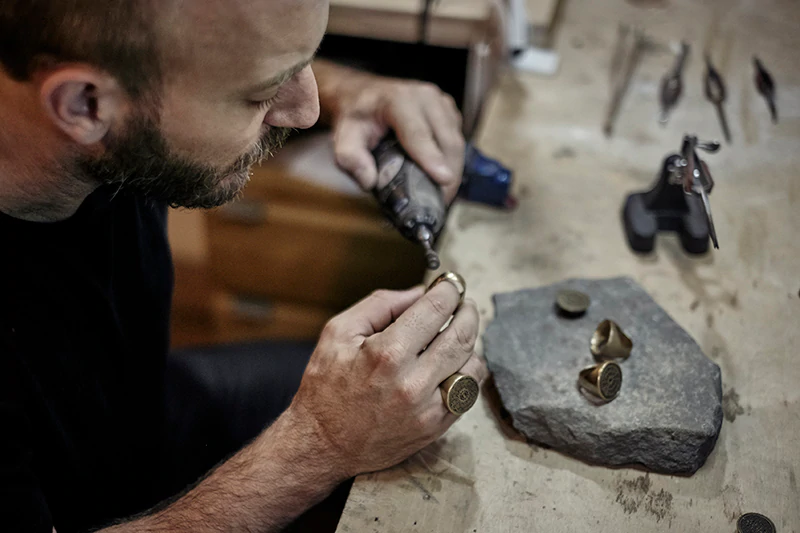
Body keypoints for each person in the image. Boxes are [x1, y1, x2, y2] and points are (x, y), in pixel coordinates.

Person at [0, 1, 489, 532]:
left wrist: (351, 88)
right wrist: (320, 442)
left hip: (139, 416)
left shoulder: (112, 99)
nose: (307, 111)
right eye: (262, 93)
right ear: (85, 104)